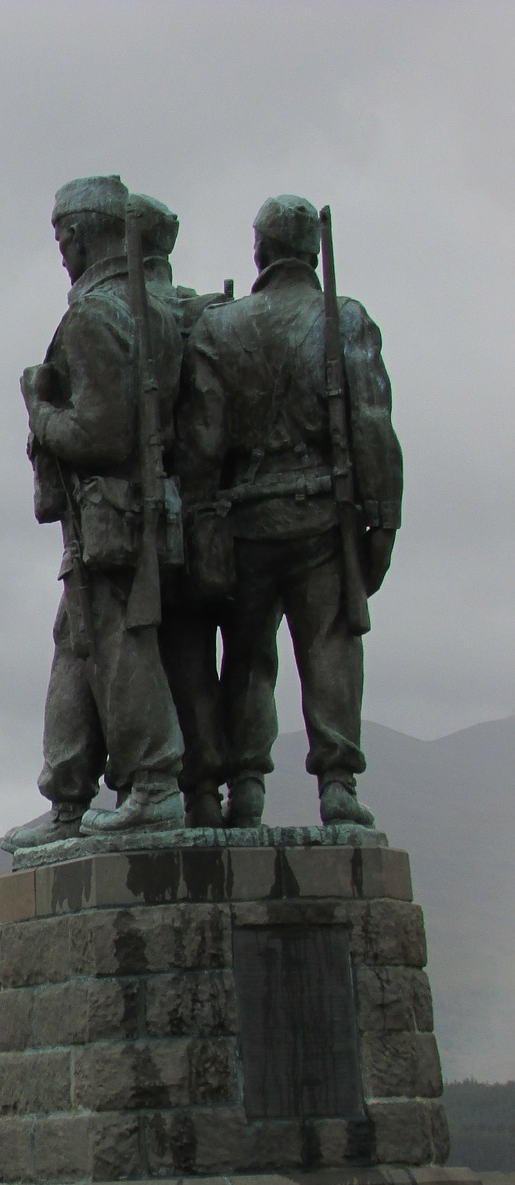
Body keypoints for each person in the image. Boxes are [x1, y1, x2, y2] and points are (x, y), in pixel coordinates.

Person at [175, 195, 403, 826]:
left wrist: (198, 522)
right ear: (314, 252)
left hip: (245, 522)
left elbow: (201, 443)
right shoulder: (343, 320)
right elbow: (372, 428)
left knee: (247, 657)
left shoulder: (221, 329)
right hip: (322, 520)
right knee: (330, 645)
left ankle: (245, 787)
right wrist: (382, 522)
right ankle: (337, 781)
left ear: (260, 252)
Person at [6, 175, 186, 850]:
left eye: (62, 238)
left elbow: (99, 435)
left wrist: (38, 409)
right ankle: (69, 799)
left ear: (82, 234)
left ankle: (152, 785)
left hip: (109, 509)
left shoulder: (93, 316)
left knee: (115, 642)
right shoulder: (160, 306)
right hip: (144, 504)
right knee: (82, 642)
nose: (61, 252)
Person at [135, 193, 231, 828]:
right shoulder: (207, 316)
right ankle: (204, 794)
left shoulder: (130, 314)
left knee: (137, 651)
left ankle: (149, 790)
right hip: (209, 515)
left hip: (149, 515)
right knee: (195, 660)